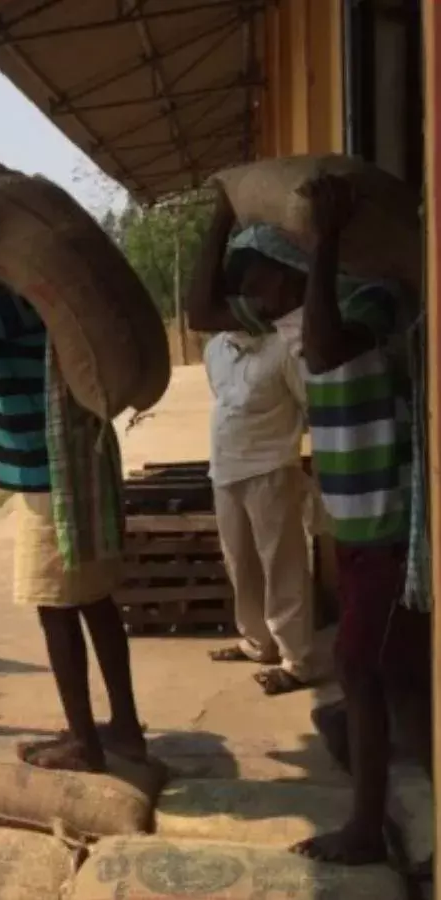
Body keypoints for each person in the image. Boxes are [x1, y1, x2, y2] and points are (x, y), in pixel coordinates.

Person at [185, 175, 430, 865]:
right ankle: (410, 801)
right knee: (395, 675)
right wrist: (221, 214)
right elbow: (201, 310)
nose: (250, 294)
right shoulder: (287, 316)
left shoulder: (374, 298)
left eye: (257, 277)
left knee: (360, 667)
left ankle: (366, 830)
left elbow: (325, 350)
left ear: (290, 266)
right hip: (353, 525)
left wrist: (323, 241)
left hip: (390, 524)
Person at [0, 189, 148, 773]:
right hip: (78, 468)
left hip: (49, 483)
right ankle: (123, 728)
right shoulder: (43, 304)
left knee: (55, 608)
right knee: (94, 601)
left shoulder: (11, 306)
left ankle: (84, 744)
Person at [202, 300, 317, 695]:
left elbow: (308, 404)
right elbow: (220, 396)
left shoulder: (282, 348)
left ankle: (296, 660)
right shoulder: (215, 349)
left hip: (272, 471)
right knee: (239, 562)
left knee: (282, 565)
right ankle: (257, 642)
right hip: (225, 470)